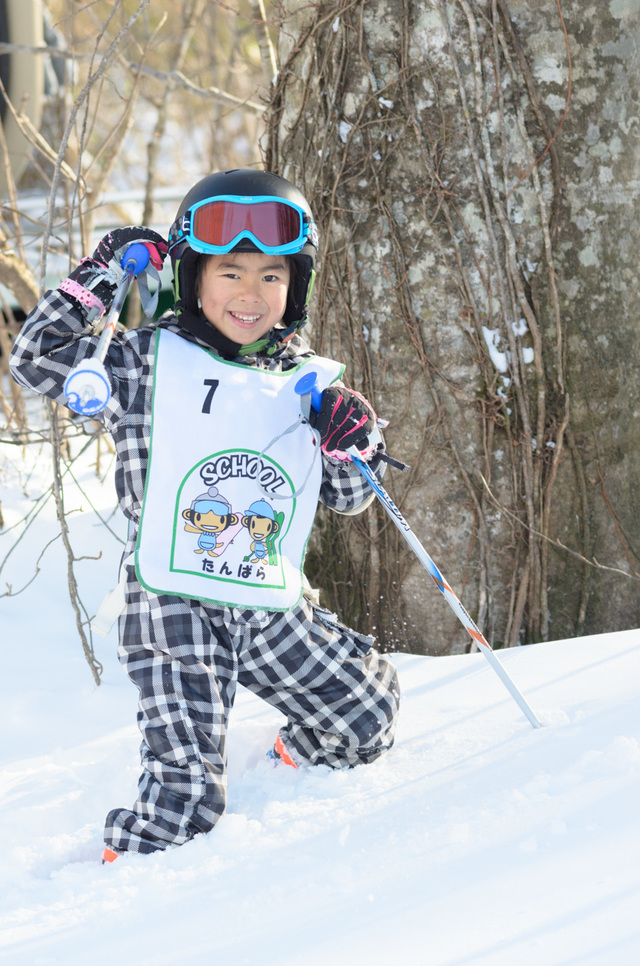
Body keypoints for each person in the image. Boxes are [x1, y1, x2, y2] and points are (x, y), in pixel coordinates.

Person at [9, 168, 400, 862]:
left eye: (271, 277)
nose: (250, 295)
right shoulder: (142, 362)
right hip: (172, 606)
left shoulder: (306, 386)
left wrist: (353, 438)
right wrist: (103, 272)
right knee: (185, 796)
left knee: (368, 714)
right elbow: (37, 359)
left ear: (295, 287)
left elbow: (348, 497)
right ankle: (127, 887)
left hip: (267, 604)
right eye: (230, 273)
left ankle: (290, 759)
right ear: (193, 278)